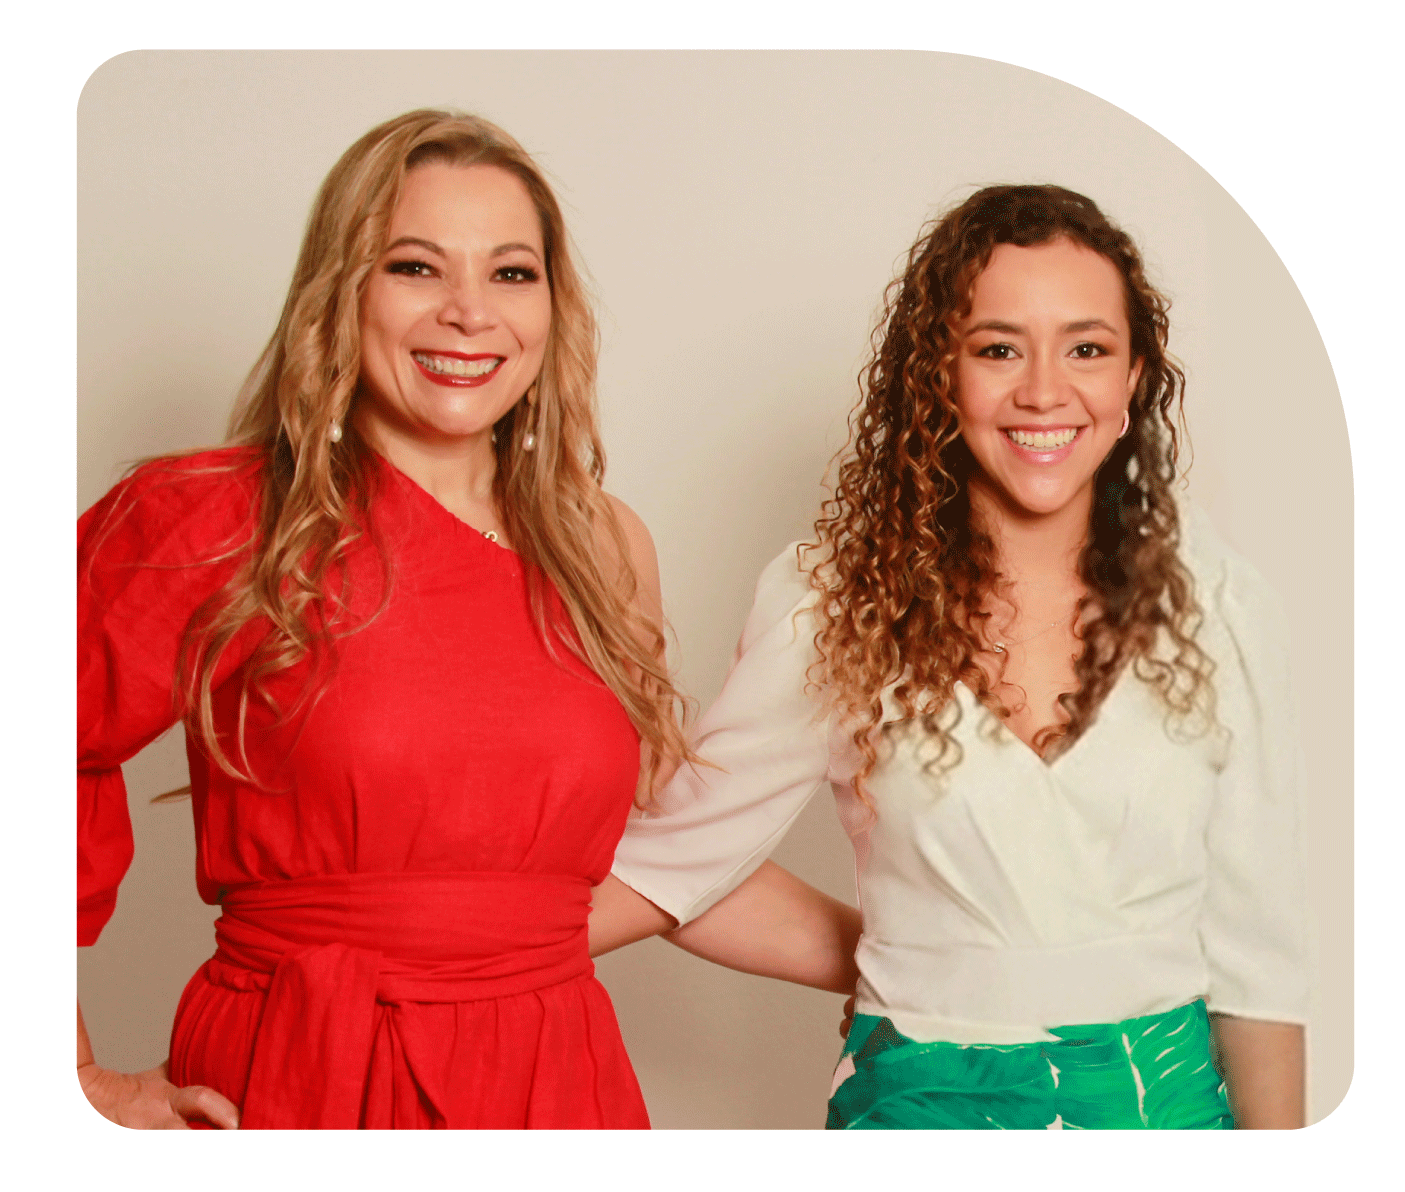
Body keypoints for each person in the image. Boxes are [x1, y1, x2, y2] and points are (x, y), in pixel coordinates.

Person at [77, 108, 857, 1130]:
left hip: (553, 1080)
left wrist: (921, 966)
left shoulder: (602, 544)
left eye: (510, 273)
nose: (468, 313)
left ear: (552, 304)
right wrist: (64, 1078)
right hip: (304, 1072)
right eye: (414, 267)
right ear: (341, 290)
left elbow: (668, 857)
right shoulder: (215, 516)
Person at [601, 185, 1309, 1129]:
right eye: (998, 349)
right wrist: (908, 958)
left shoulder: (1216, 605)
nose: (1044, 391)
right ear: (939, 372)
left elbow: (1259, 966)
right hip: (918, 1110)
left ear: (1135, 377)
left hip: (1165, 1112)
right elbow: (669, 865)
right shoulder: (833, 602)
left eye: (1086, 349)